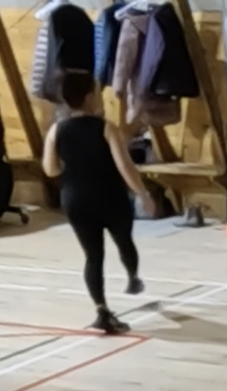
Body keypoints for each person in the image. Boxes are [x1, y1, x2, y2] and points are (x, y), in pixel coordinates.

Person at [41, 68, 152, 334]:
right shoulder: (106, 128)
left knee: (93, 256)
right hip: (110, 196)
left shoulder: (57, 130)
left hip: (76, 199)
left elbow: (51, 170)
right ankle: (133, 277)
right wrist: (143, 193)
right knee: (124, 241)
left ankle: (101, 310)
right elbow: (125, 166)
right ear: (90, 96)